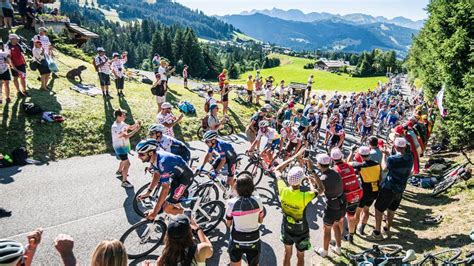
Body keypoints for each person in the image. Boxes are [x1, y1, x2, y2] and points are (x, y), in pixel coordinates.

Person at [274, 148, 322, 266]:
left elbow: (276, 169)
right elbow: (321, 190)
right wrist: (312, 171)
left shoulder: (283, 190)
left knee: (287, 253)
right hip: (301, 230)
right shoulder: (305, 196)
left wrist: (293, 157)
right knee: (300, 256)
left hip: (286, 227)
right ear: (301, 181)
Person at [136, 139, 194, 217]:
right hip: (176, 177)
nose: (139, 157)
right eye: (139, 154)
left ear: (150, 153)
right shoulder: (154, 158)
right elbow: (156, 174)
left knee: (167, 208)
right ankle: (180, 215)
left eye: (141, 154)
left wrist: (154, 212)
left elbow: (165, 188)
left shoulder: (162, 163)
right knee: (170, 202)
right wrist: (148, 192)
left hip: (185, 179)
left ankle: (189, 215)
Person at [371, 137, 413, 240]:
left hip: (389, 188)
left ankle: (377, 232)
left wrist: (384, 155)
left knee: (378, 208)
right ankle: (387, 228)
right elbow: (399, 158)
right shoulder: (410, 157)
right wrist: (390, 154)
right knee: (392, 209)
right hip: (400, 188)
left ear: (395, 146)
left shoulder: (392, 159)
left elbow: (384, 168)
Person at [225, 173, 264, 266]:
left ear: (237, 188)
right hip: (254, 239)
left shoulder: (231, 203)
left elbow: (228, 224)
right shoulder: (258, 200)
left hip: (237, 239)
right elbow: (260, 221)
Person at [314, 154, 345, 258]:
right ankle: (338, 248)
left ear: (319, 164)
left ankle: (324, 251)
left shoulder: (323, 178)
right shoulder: (335, 172)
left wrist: (312, 181)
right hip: (341, 203)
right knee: (336, 225)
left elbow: (318, 191)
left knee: (326, 229)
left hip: (331, 207)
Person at [347, 146, 382, 236]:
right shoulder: (377, 164)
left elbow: (348, 163)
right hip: (375, 191)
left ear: (360, 155)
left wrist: (351, 152)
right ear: (369, 154)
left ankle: (353, 230)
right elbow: (380, 177)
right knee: (366, 209)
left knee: (358, 212)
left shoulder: (361, 165)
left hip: (365, 192)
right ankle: (362, 228)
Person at [331, 148, 362, 244]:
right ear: (341, 156)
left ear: (332, 159)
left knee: (340, 219)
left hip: (344, 198)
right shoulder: (349, 166)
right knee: (351, 217)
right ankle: (351, 236)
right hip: (355, 195)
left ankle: (339, 237)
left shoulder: (334, 170)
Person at [111, 109, 141, 188]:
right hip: (119, 147)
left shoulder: (122, 123)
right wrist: (136, 130)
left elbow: (130, 127)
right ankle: (124, 181)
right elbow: (126, 136)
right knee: (127, 163)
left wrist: (137, 124)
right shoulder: (115, 127)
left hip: (124, 145)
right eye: (123, 115)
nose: (125, 116)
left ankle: (120, 171)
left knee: (123, 160)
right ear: (118, 116)